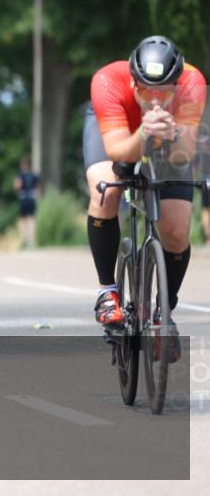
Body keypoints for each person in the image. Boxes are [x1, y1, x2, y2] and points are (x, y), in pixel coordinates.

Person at [85, 36, 205, 361]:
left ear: (177, 84)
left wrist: (173, 135)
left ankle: (163, 310)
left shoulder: (193, 82)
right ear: (133, 82)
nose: (155, 99)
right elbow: (117, 151)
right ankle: (107, 291)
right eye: (146, 90)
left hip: (169, 135)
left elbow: (184, 155)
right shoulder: (108, 81)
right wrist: (144, 134)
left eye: (165, 91)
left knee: (177, 229)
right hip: (119, 130)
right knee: (105, 190)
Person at [13, 156, 40, 249]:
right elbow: (38, 187)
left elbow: (17, 185)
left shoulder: (20, 175)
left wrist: (17, 191)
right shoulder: (34, 175)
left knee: (23, 219)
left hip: (23, 198)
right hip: (32, 198)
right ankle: (31, 240)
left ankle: (24, 239)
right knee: (32, 219)